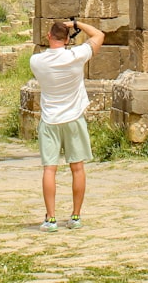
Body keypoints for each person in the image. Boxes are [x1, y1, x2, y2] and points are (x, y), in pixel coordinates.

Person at [28, 17, 104, 232]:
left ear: (48, 36)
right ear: (68, 39)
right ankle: (76, 216)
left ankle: (51, 219)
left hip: (50, 119)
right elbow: (99, 35)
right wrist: (76, 24)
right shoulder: (76, 56)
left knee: (49, 169)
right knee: (77, 168)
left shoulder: (36, 61)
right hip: (74, 118)